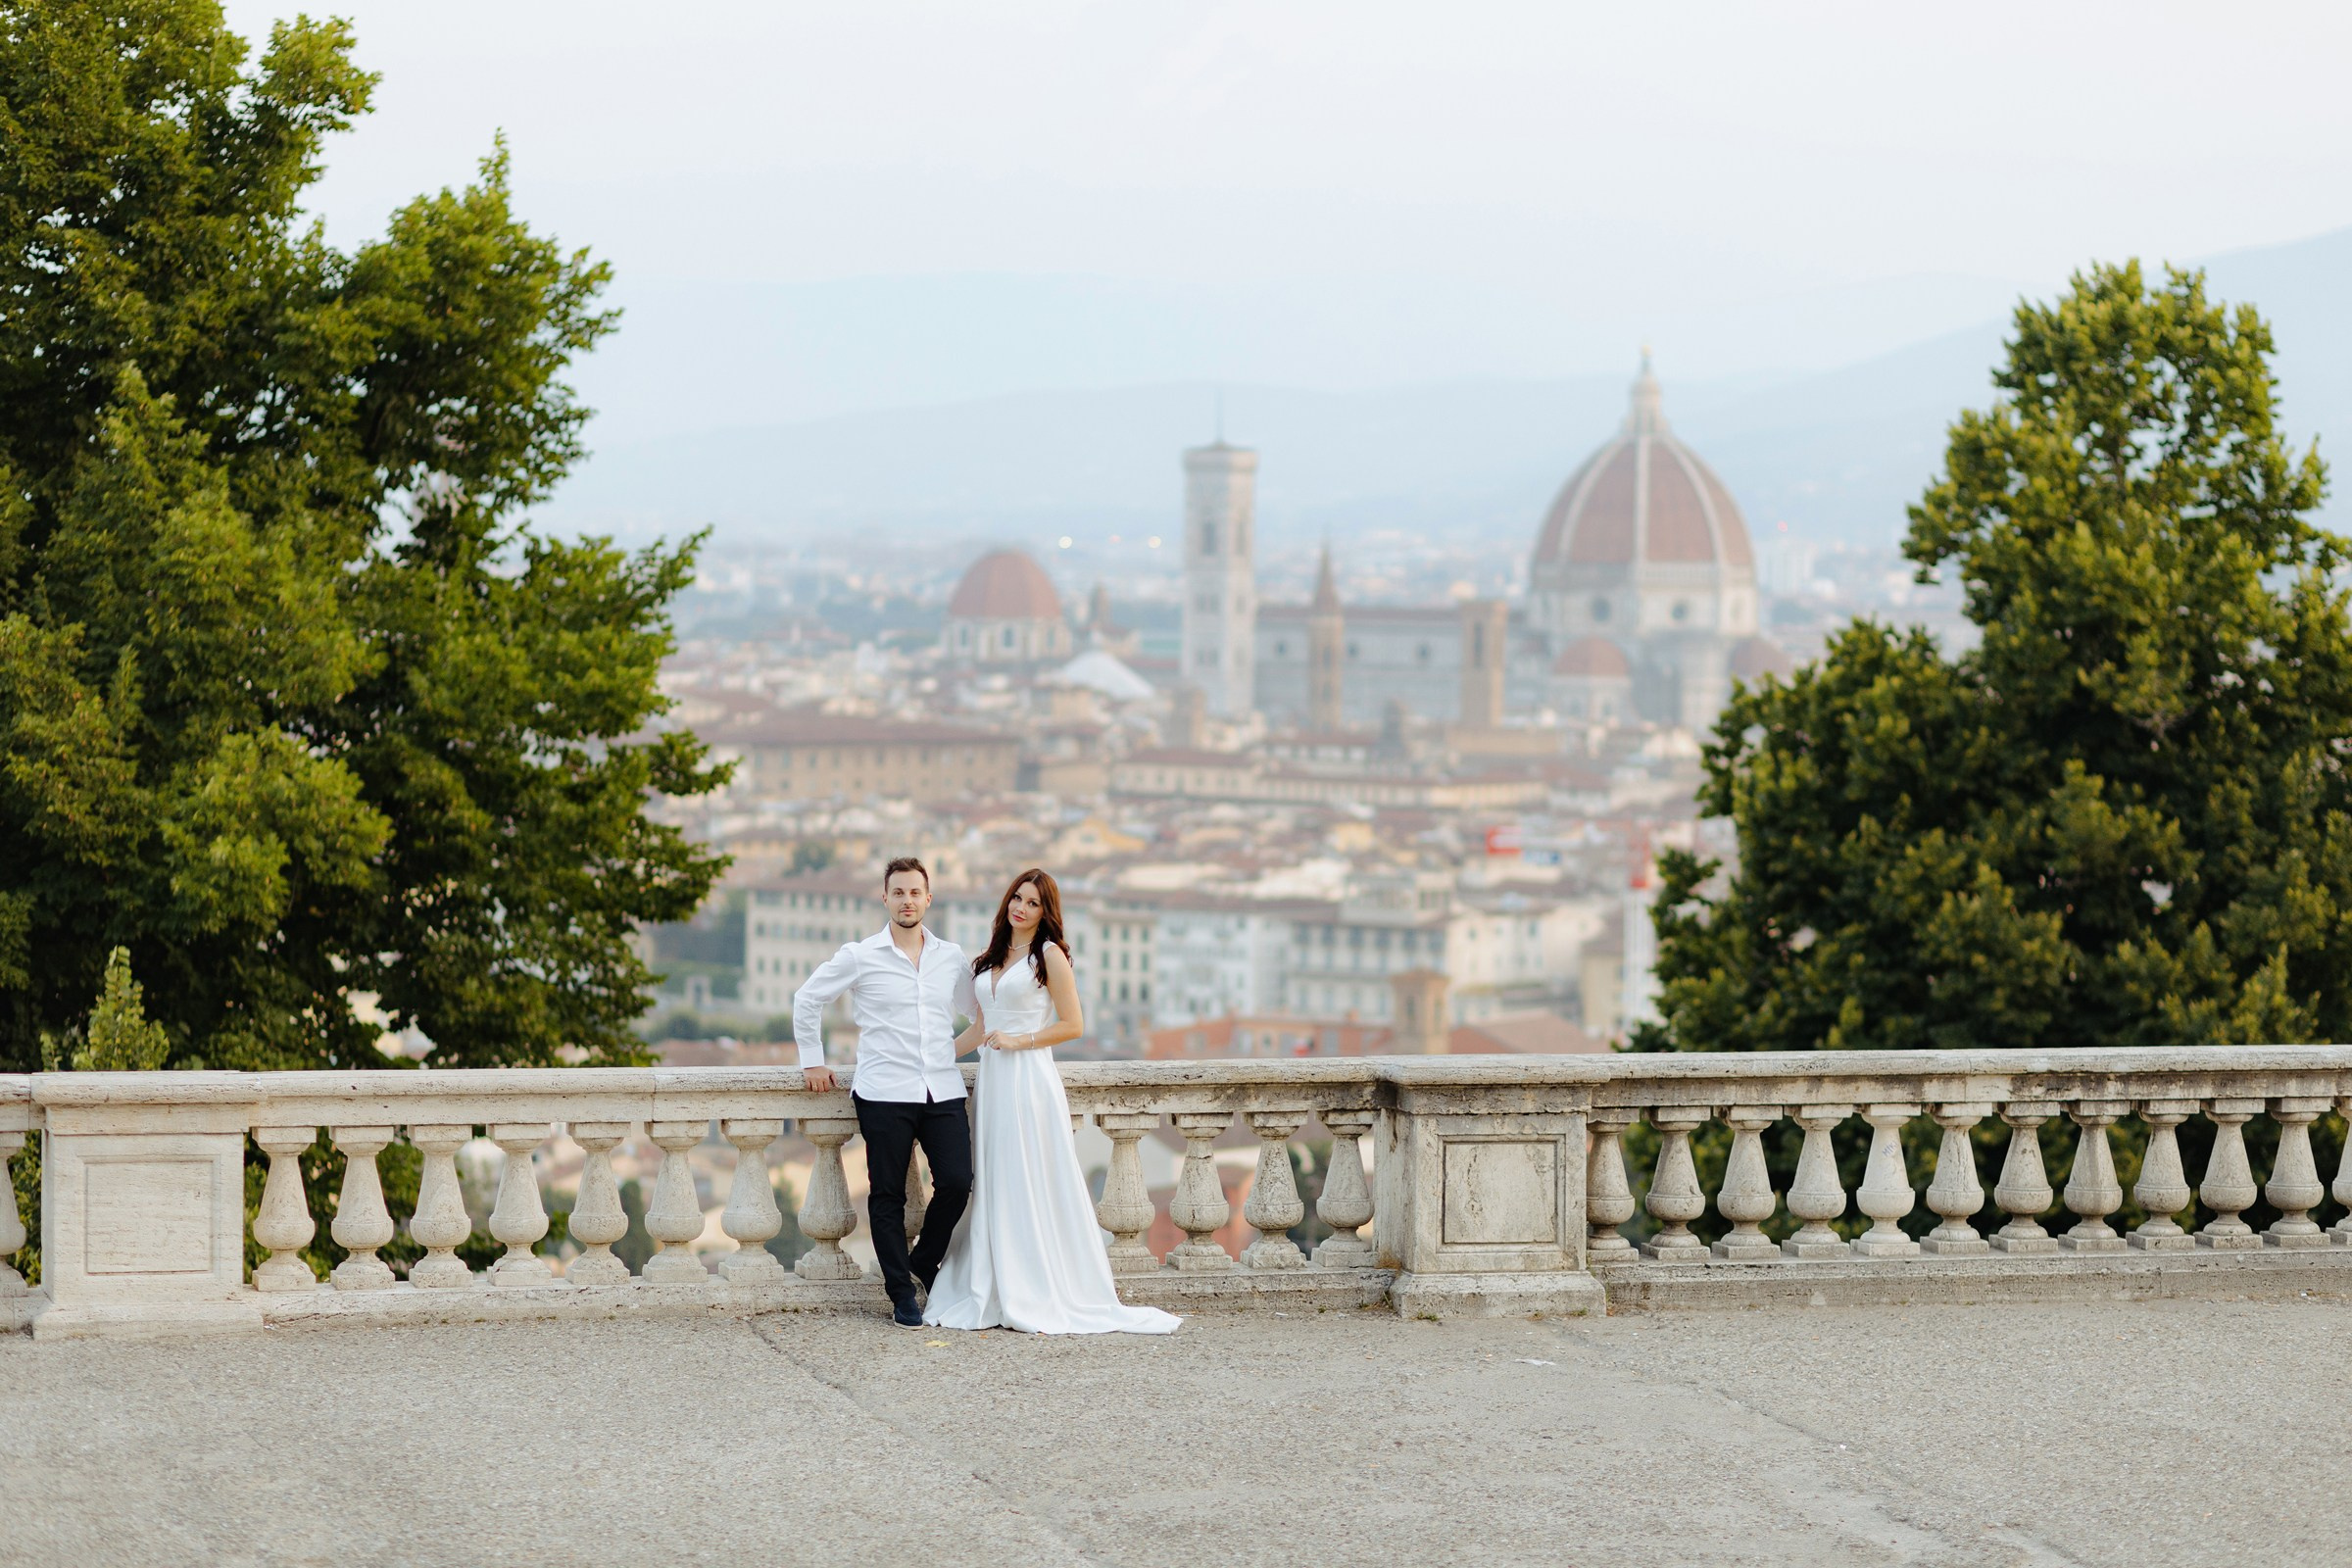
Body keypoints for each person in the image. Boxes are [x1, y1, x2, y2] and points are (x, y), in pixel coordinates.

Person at [924, 868, 1180, 1336]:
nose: (1021, 908)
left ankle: (1034, 1283)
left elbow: (1074, 1024)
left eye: (1033, 903)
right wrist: (932, 1055)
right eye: (1017, 898)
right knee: (995, 1176)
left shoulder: (1049, 955)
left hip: (1027, 1079)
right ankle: (991, 1277)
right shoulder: (992, 957)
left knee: (1027, 1174)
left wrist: (1021, 1040)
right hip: (993, 1081)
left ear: (1046, 912)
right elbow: (981, 1030)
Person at [792, 857, 977, 1327]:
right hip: (884, 1092)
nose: (907, 900)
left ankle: (923, 1261)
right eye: (898, 892)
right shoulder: (861, 955)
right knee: (887, 1196)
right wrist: (812, 1059)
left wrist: (953, 1049)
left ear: (928, 899)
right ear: (886, 898)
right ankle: (900, 1293)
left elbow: (978, 1014)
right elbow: (808, 998)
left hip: (942, 1089)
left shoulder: (949, 957)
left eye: (915, 892)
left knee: (957, 1182)